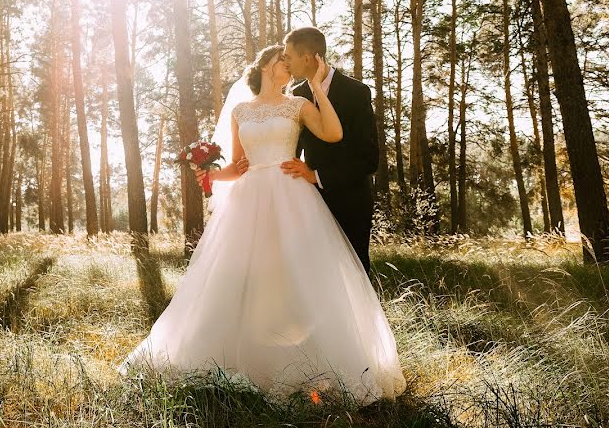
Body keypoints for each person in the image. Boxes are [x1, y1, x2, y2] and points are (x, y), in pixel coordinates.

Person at [117, 44, 405, 402]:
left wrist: (316, 87)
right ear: (268, 67)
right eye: (283, 61)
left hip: (291, 195)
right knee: (244, 275)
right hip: (249, 201)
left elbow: (333, 134)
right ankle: (242, 357)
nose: (289, 65)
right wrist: (208, 174)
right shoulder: (240, 111)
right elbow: (238, 167)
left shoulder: (299, 104)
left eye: (289, 61)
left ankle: (308, 361)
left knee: (296, 273)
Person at [282, 27, 379, 273]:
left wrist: (316, 176)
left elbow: (368, 159)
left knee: (355, 274)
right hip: (310, 203)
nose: (286, 62)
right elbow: (290, 150)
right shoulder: (297, 95)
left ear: (307, 58)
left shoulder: (356, 92)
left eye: (288, 56)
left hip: (351, 203)